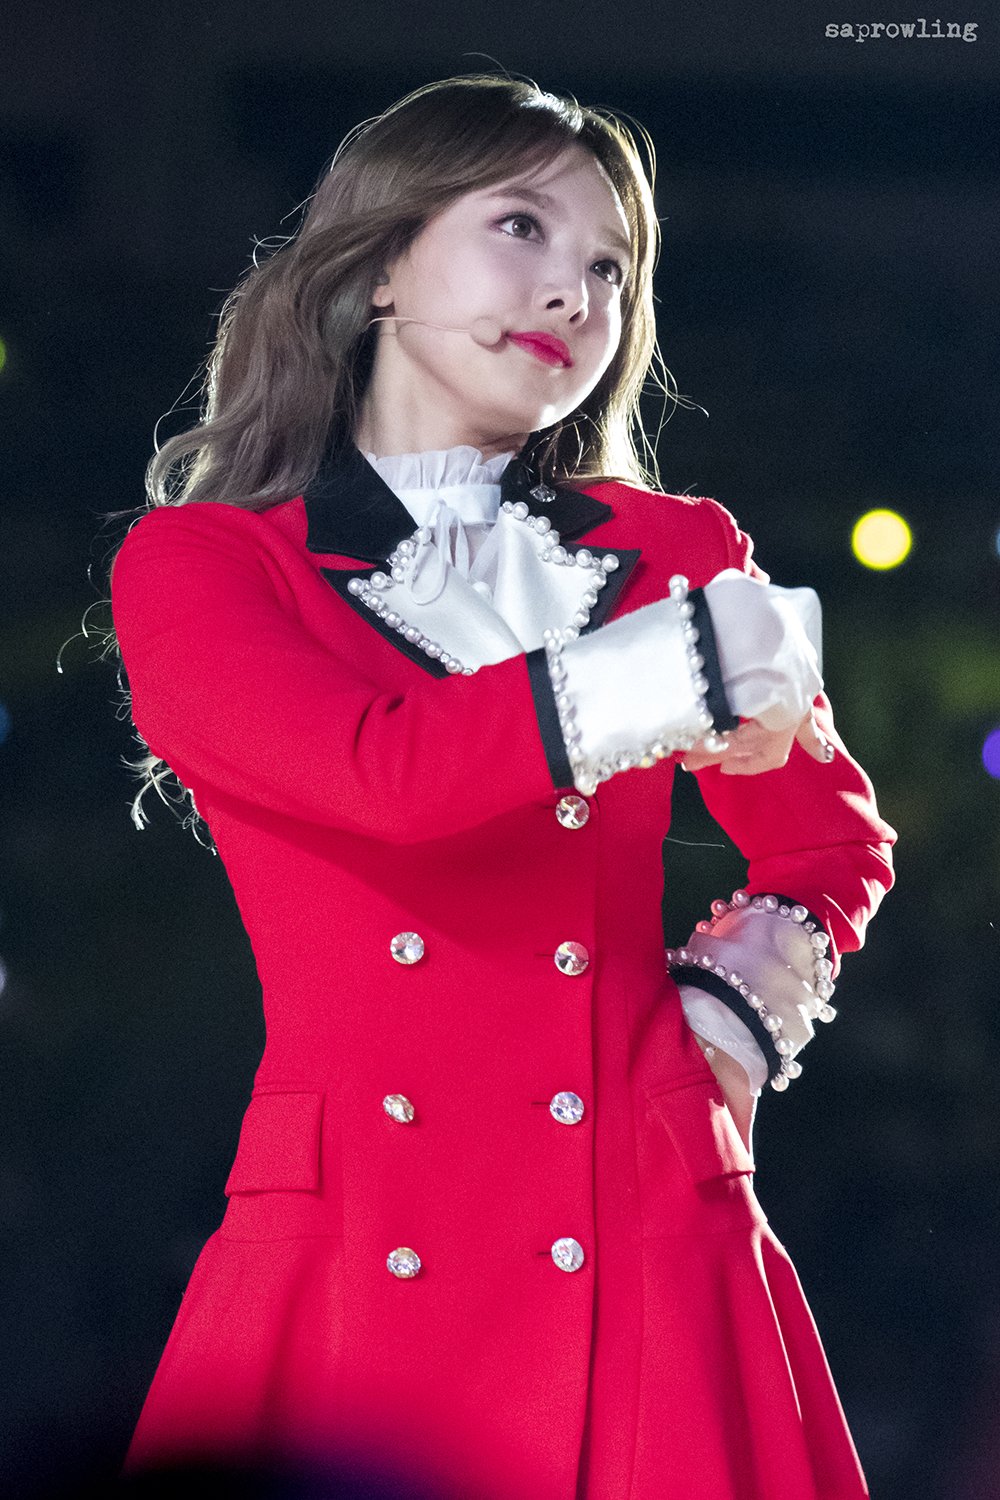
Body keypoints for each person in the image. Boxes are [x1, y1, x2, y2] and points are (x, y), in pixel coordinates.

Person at [110, 73, 896, 1500]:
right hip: (357, 1247)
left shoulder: (680, 551)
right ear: (381, 267)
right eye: (521, 227)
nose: (574, 293)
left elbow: (828, 846)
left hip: (652, 1239)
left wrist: (721, 1037)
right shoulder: (207, 565)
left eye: (611, 267)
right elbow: (379, 775)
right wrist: (675, 667)